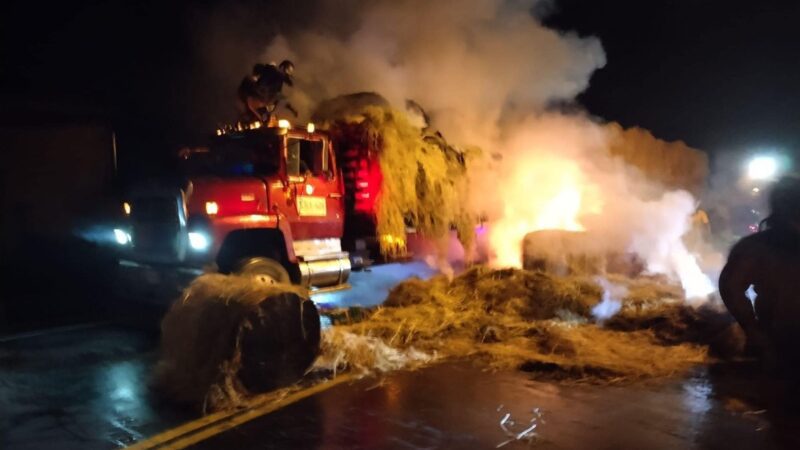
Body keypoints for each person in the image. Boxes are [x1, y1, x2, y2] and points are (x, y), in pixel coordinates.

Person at [719, 176, 800, 371]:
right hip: (782, 345)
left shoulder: (753, 248)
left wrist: (752, 330)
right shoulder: (757, 248)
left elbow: (731, 286)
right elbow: (731, 287)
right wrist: (754, 332)